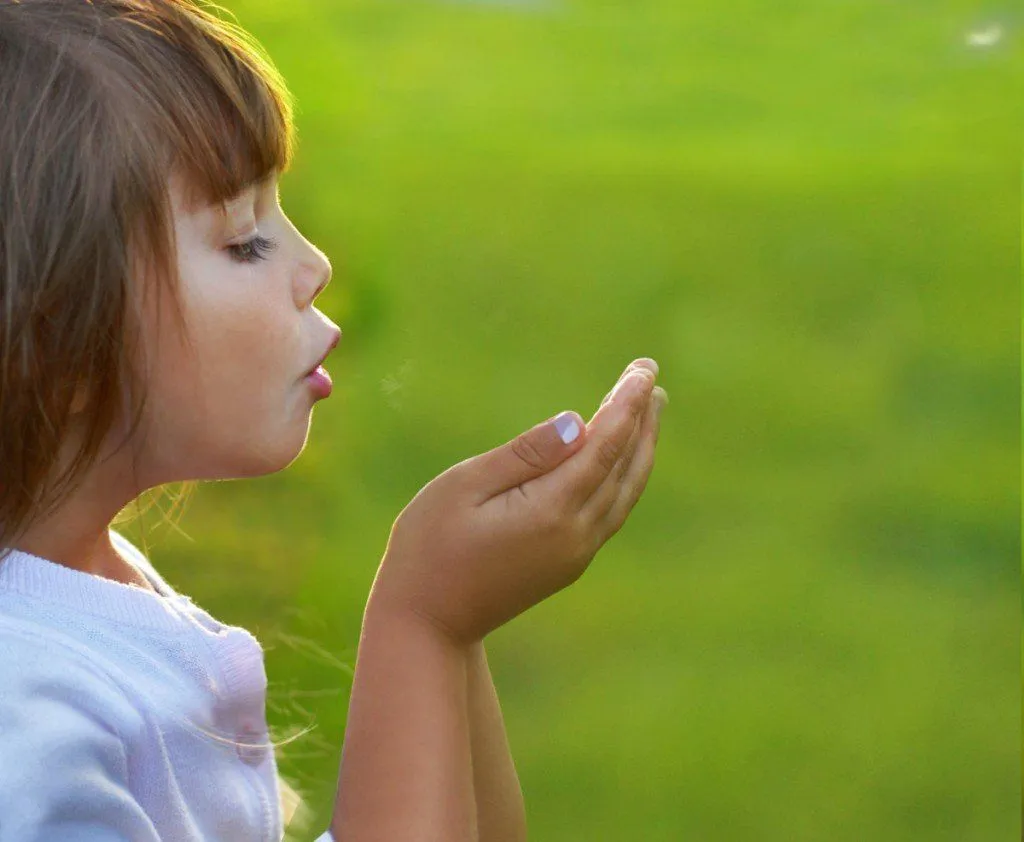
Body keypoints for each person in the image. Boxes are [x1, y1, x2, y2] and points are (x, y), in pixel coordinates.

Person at [0, 1, 668, 840]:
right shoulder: (27, 736)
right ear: (59, 345)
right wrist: (424, 622)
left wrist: (458, 626)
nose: (314, 264)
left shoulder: (84, 584)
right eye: (243, 240)